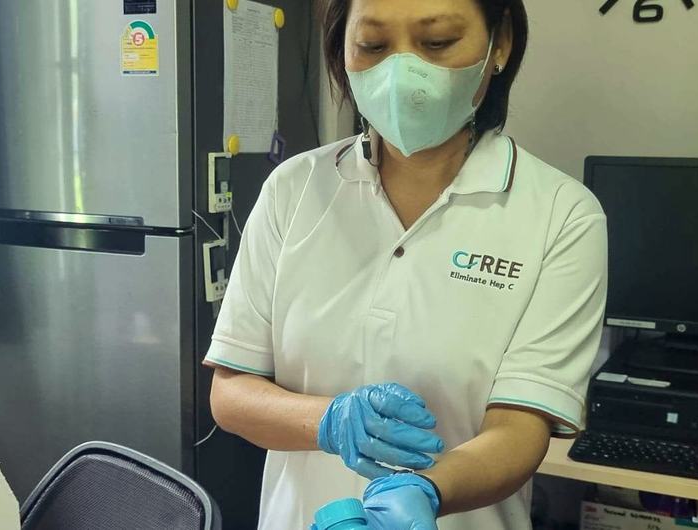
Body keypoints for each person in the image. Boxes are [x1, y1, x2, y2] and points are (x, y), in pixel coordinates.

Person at [204, 0, 607, 528]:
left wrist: (425, 491)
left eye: (436, 42)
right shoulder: (294, 189)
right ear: (341, 51)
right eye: (373, 46)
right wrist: (329, 419)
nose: (403, 72)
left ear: (499, 44)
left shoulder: (560, 214)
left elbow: (520, 429)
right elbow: (232, 393)